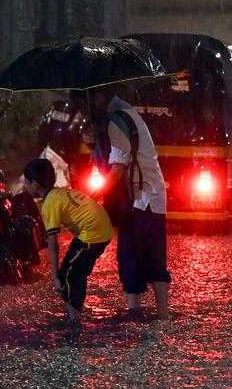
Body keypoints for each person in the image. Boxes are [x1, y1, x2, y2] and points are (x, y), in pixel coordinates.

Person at [82, 86, 171, 319]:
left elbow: (116, 169)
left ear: (100, 98)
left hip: (142, 199)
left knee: (134, 255)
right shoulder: (126, 113)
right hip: (149, 196)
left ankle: (143, 314)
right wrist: (93, 143)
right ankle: (156, 315)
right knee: (145, 255)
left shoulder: (116, 121)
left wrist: (90, 197)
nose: (86, 109)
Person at [22, 158, 113, 324]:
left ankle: (74, 321)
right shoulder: (60, 193)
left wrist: (55, 276)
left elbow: (52, 242)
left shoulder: (49, 203)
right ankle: (74, 313)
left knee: (67, 275)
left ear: (35, 183)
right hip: (101, 229)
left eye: (27, 183)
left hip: (93, 234)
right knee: (77, 272)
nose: (26, 187)